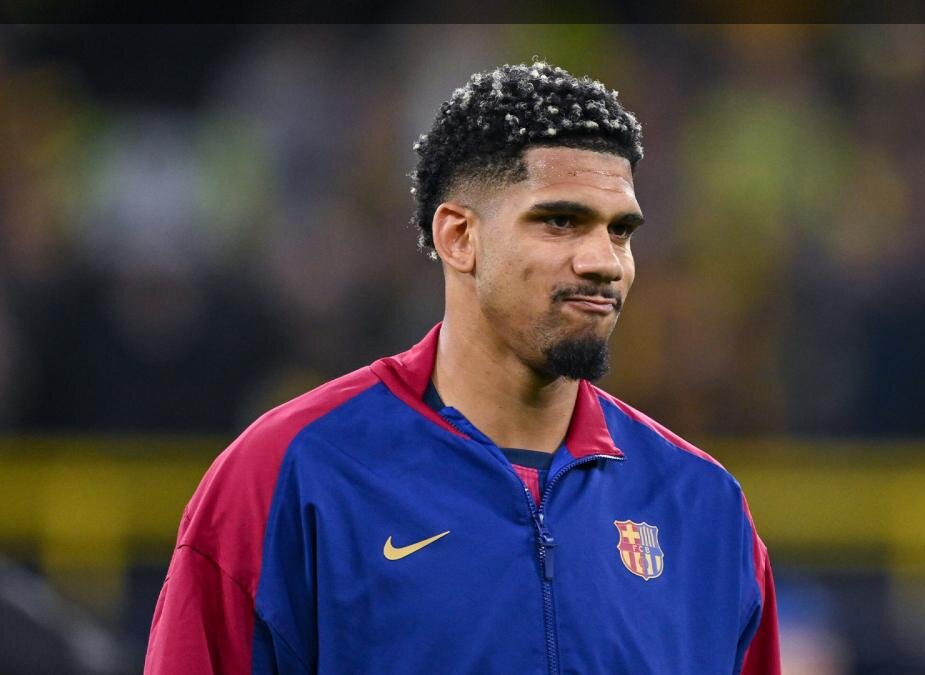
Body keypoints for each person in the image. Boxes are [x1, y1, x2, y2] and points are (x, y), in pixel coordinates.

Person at [145, 60, 780, 674]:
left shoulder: (704, 507)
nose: (604, 262)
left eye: (620, 231)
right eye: (561, 221)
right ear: (458, 237)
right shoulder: (290, 473)